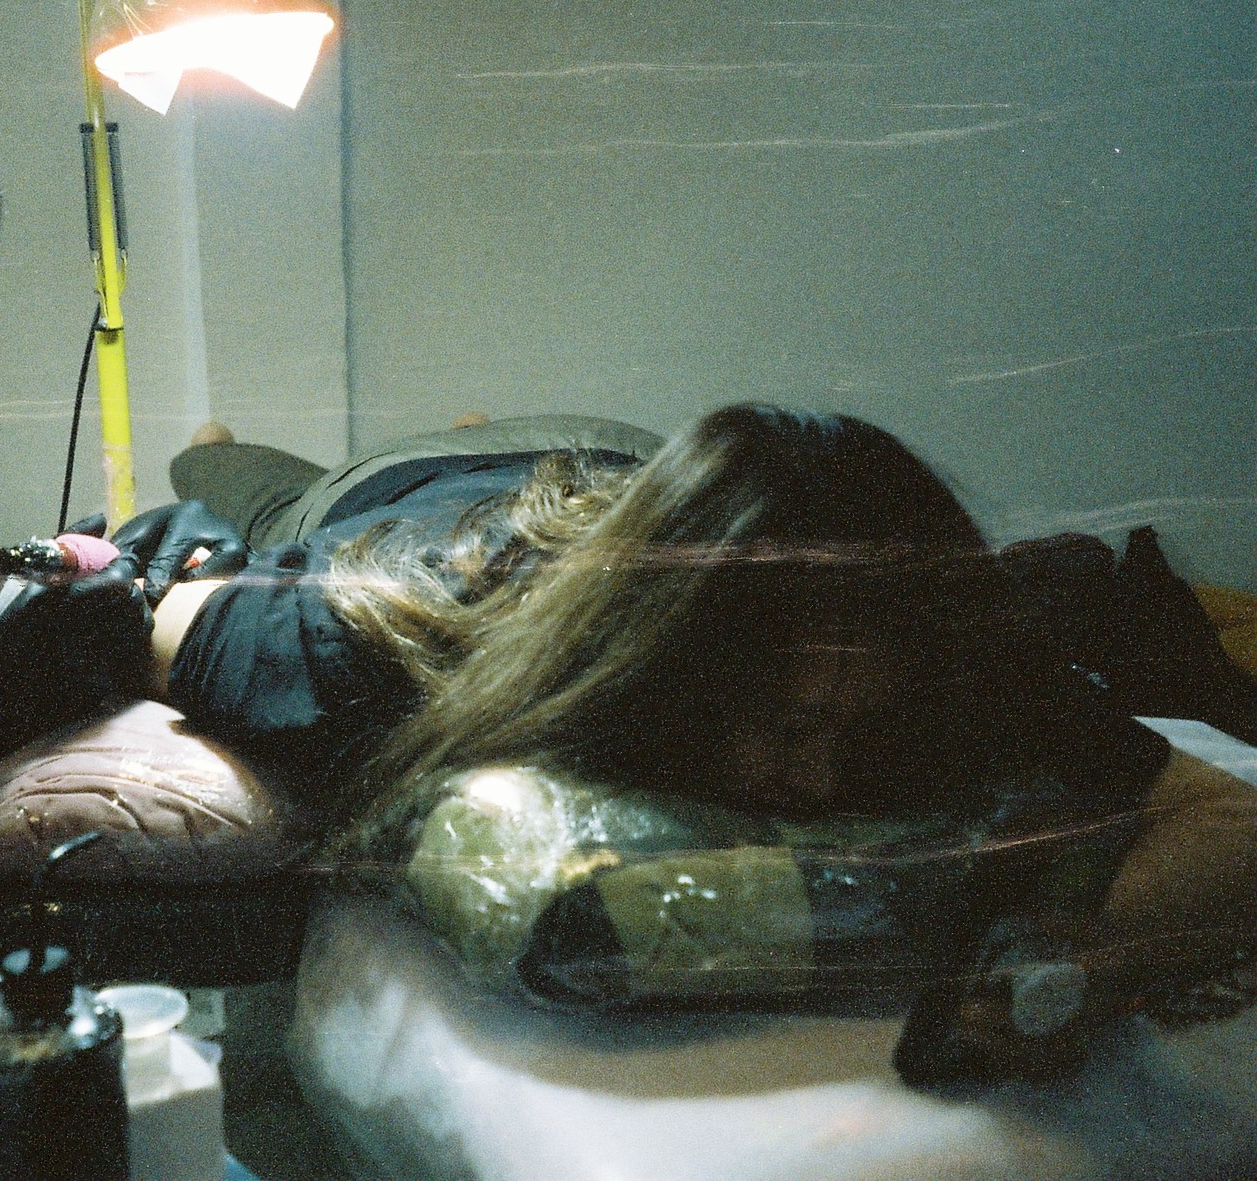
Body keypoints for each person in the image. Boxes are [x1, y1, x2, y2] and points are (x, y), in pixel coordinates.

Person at [130, 405, 1257, 1077]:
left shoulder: (914, 639)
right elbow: (167, 605)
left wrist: (1098, 952)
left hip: (625, 456)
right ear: (658, 678)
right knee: (251, 482)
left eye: (857, 734)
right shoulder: (389, 628)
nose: (819, 781)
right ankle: (220, 440)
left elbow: (1228, 815)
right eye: (787, 727)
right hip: (403, 495)